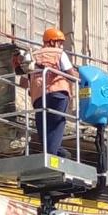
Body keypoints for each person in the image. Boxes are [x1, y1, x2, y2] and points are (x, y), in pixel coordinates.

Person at [13, 27, 75, 158]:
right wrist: (82, 78)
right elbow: (71, 75)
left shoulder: (32, 55)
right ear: (53, 42)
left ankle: (58, 153)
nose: (61, 45)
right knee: (57, 124)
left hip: (39, 97)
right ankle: (55, 154)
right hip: (58, 93)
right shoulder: (59, 54)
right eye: (60, 42)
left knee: (43, 127)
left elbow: (23, 83)